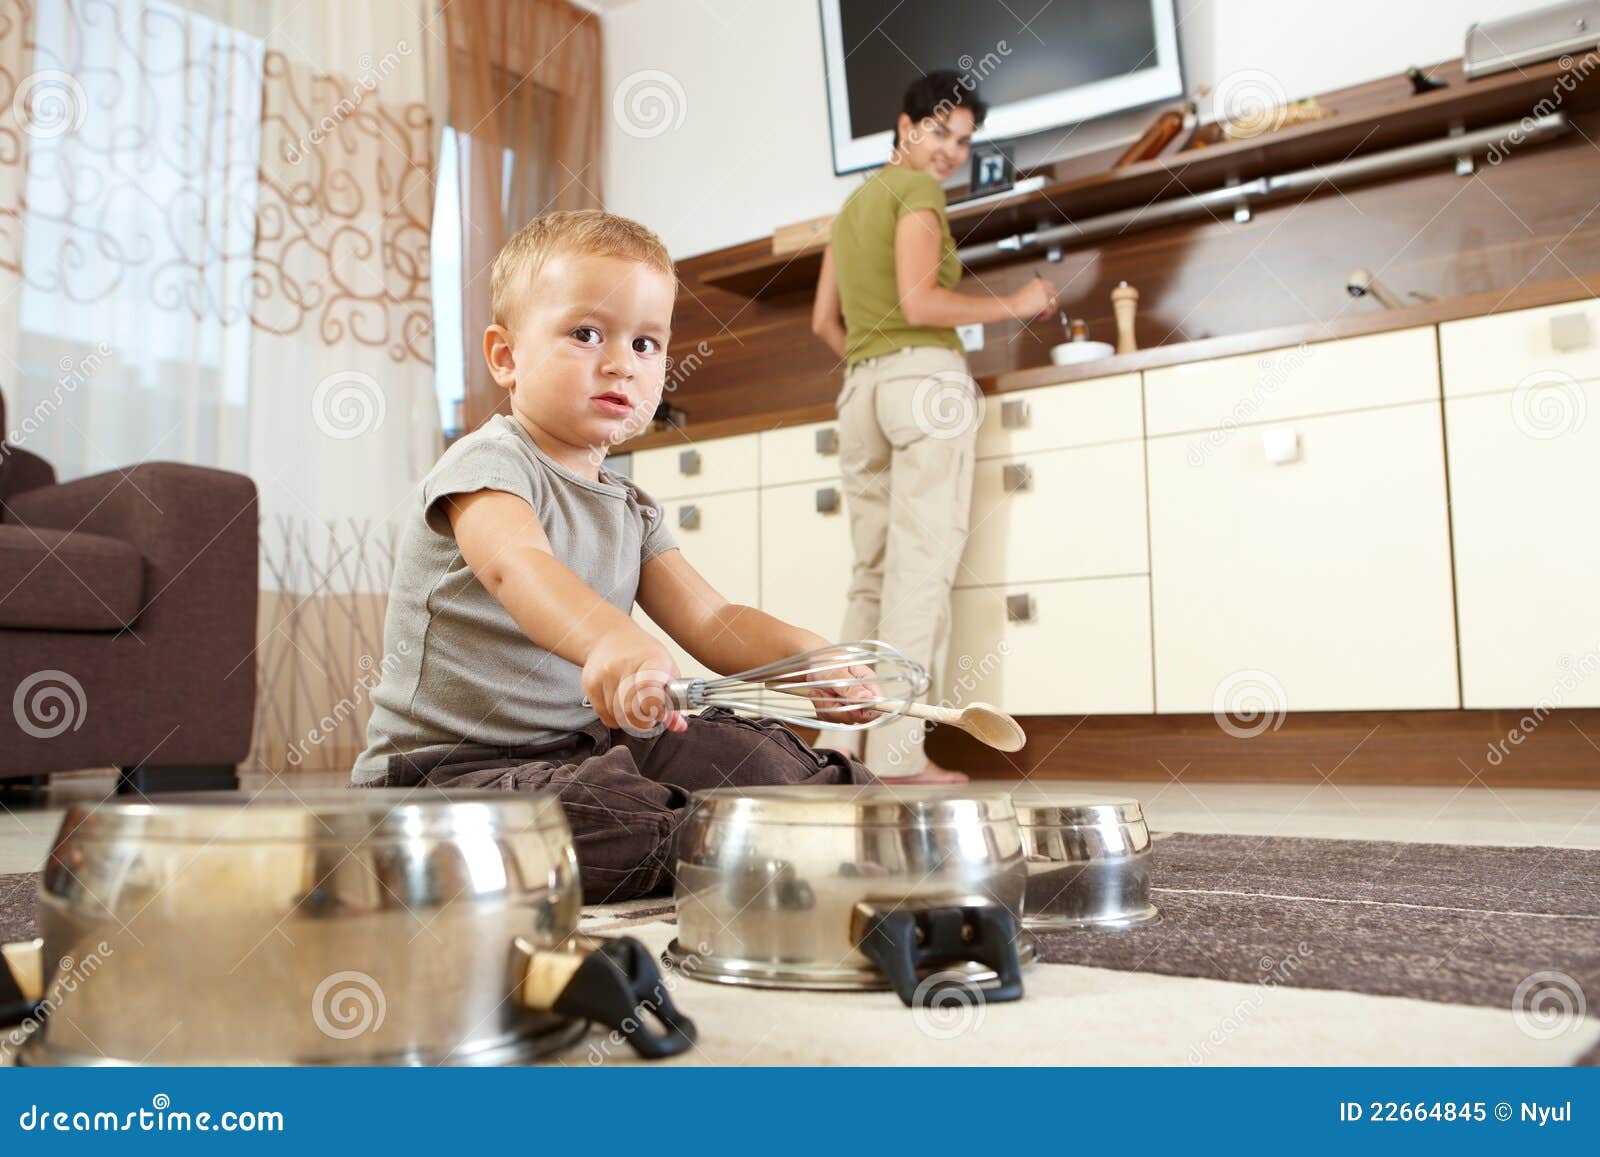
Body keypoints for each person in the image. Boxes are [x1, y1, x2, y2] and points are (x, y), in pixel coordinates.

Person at [352, 209, 883, 902]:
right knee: (610, 815)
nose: (619, 364)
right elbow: (520, 567)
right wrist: (613, 640)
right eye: (586, 334)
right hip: (444, 776)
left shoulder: (630, 505)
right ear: (505, 356)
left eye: (645, 343)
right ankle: (744, 841)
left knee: (747, 748)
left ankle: (834, 815)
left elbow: (712, 618)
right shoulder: (487, 463)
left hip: (577, 754)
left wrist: (805, 656)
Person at [812, 71, 1057, 782]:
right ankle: (895, 758)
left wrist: (879, 367)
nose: (950, 150)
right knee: (918, 573)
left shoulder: (853, 204)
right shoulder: (917, 191)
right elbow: (921, 302)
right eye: (941, 132)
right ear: (906, 125)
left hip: (863, 392)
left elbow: (825, 322)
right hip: (924, 387)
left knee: (871, 577)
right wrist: (1018, 300)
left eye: (963, 140)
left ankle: (832, 752)